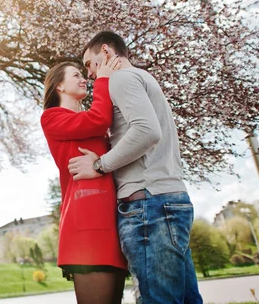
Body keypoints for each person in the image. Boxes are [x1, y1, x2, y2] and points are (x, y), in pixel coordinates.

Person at [68, 31, 203, 304]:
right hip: (167, 201)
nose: (90, 75)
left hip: (148, 207)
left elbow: (146, 131)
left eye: (89, 64)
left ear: (105, 52)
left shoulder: (121, 78)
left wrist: (99, 165)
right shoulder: (143, 77)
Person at [40, 56, 127, 304]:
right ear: (59, 86)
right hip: (87, 226)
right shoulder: (52, 117)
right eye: (76, 75)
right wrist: (103, 80)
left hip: (111, 220)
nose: (83, 79)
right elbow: (98, 119)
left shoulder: (91, 123)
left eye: (83, 74)